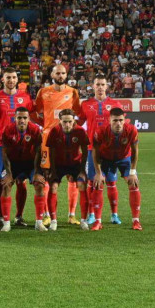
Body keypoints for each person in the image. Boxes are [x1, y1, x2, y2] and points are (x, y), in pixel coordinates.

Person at [0, 67, 34, 227]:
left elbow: (30, 117)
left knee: (22, 181)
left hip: (22, 146)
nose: (11, 80)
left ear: (17, 80)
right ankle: (1, 216)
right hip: (2, 146)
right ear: (3, 80)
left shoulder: (25, 98)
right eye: (8, 77)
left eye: (14, 77)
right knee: (2, 181)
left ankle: (19, 216)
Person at [34, 64, 82, 226]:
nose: (61, 76)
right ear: (52, 75)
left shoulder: (72, 92)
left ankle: (71, 215)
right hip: (49, 140)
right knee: (48, 176)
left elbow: (78, 112)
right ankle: (47, 214)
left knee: (72, 177)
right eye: (58, 73)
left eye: (63, 73)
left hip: (68, 140)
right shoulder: (43, 92)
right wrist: (45, 124)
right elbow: (34, 111)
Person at [79, 75, 123, 225]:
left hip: (110, 150)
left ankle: (114, 214)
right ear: (92, 86)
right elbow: (78, 124)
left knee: (111, 182)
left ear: (107, 86)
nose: (100, 87)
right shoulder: (85, 104)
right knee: (93, 182)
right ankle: (92, 214)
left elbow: (121, 126)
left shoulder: (115, 104)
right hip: (92, 149)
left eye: (102, 84)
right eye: (97, 84)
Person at [91, 108, 142, 231]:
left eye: (120, 120)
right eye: (115, 121)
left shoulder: (131, 130)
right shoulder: (101, 131)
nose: (118, 123)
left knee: (133, 184)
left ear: (124, 120)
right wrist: (98, 173)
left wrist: (133, 172)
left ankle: (136, 222)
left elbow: (135, 151)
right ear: (109, 120)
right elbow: (95, 152)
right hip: (105, 159)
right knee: (98, 184)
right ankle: (97, 222)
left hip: (124, 159)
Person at [43, 109, 89, 232]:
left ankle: (83, 220)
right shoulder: (54, 131)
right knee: (53, 187)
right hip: (58, 164)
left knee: (82, 185)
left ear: (74, 121)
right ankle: (53, 221)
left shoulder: (80, 131)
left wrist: (83, 170)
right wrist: (52, 170)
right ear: (60, 121)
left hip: (75, 164)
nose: (67, 124)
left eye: (70, 121)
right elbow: (51, 152)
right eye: (64, 122)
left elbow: (85, 152)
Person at [0, 107, 44, 232]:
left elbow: (38, 153)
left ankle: (39, 222)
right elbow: (5, 154)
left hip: (30, 164)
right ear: (15, 118)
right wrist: (8, 173)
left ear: (28, 119)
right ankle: (6, 222)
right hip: (13, 164)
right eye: (19, 118)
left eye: (25, 118)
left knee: (39, 184)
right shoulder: (8, 130)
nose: (22, 120)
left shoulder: (35, 130)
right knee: (6, 185)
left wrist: (36, 172)